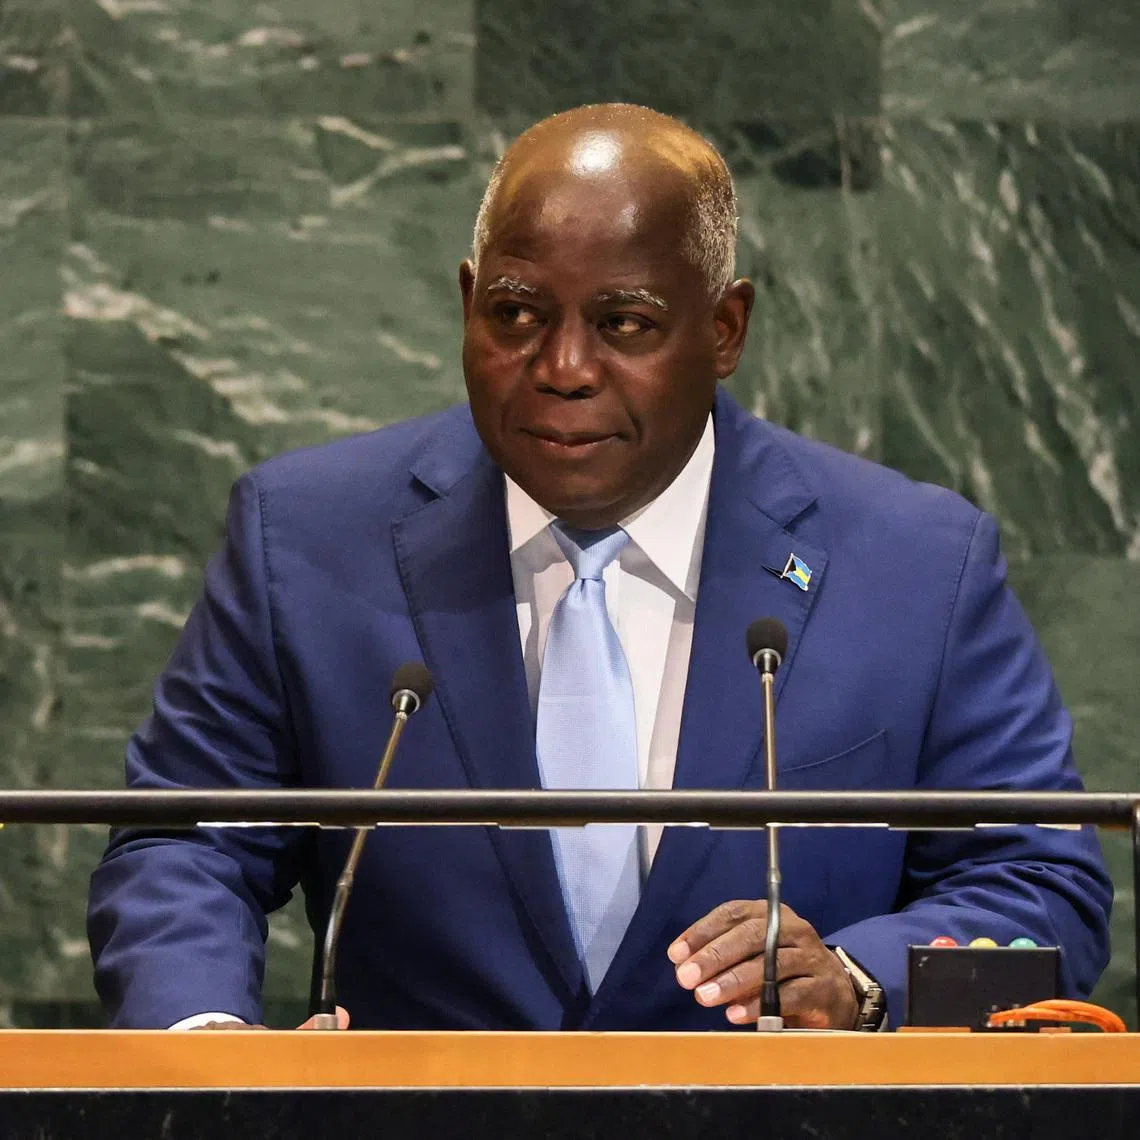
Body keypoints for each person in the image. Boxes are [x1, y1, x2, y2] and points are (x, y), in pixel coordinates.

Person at [87, 104, 1112, 1033]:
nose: (564, 368)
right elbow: (184, 846)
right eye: (516, 313)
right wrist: (211, 1052)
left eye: (623, 323)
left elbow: (1036, 883)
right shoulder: (304, 537)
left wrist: (858, 980)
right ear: (466, 302)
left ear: (723, 329)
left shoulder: (917, 564)